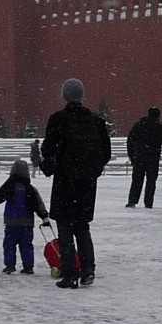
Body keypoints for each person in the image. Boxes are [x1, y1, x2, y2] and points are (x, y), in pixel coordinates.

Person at [39, 78, 111, 288]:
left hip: (65, 181)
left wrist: (51, 165)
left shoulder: (58, 119)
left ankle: (70, 273)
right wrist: (92, 171)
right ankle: (88, 270)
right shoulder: (96, 122)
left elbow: (48, 149)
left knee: (65, 228)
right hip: (86, 183)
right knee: (82, 227)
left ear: (65, 95)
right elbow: (105, 152)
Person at [0, 159, 48, 274]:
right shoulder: (30, 189)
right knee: (26, 245)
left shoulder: (9, 186)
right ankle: (28, 267)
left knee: (9, 245)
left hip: (12, 222)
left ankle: (10, 265)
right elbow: (38, 204)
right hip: (27, 223)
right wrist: (44, 216)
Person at [125, 107, 162, 209]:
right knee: (151, 181)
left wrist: (132, 155)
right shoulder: (159, 127)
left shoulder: (139, 125)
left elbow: (130, 140)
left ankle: (132, 200)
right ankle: (148, 202)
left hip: (140, 156)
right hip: (153, 158)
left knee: (137, 180)